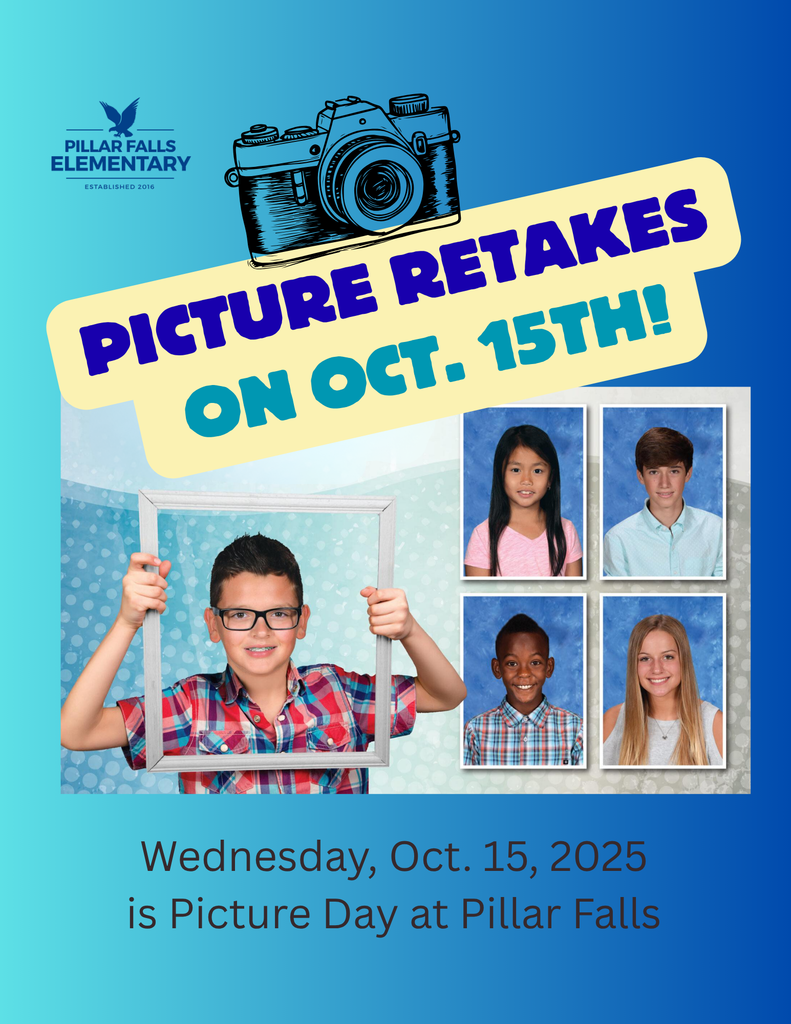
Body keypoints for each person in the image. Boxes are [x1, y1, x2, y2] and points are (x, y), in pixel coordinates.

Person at [60, 533, 466, 794]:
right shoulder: (190, 706)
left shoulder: (338, 691)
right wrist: (127, 621)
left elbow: (446, 694)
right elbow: (77, 731)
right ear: (214, 625)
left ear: (301, 621)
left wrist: (408, 629)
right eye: (239, 614)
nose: (260, 631)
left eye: (278, 613)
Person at [602, 614, 723, 766]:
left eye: (667, 657)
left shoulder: (714, 723)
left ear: (683, 660)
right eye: (645, 659)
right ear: (634, 665)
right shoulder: (612, 721)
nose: (657, 669)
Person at [463, 613, 583, 766]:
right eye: (512, 664)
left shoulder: (575, 730)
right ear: (497, 668)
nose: (524, 673)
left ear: (549, 667)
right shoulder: (475, 731)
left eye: (535, 662)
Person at [603, 426, 723, 577]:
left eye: (674, 471)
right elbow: (620, 599)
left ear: (688, 474)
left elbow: (723, 594)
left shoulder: (717, 530)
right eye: (654, 472)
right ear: (641, 476)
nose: (664, 483)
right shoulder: (618, 540)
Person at [464, 424, 583, 577]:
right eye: (516, 470)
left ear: (550, 479)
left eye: (537, 471)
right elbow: (480, 598)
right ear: (501, 475)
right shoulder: (483, 536)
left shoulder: (566, 531)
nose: (526, 480)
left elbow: (573, 597)